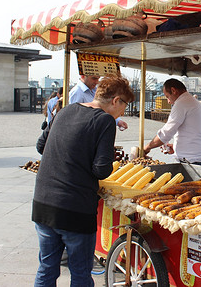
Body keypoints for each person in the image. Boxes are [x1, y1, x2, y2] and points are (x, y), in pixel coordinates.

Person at [32, 75, 134, 286]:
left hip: (43, 203)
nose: (123, 112)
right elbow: (101, 169)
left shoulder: (66, 110)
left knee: (47, 269)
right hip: (74, 208)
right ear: (116, 100)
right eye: (124, 106)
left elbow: (41, 146)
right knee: (79, 273)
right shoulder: (105, 120)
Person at [143, 78, 201, 166]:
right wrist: (176, 147)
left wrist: (146, 148)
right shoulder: (192, 102)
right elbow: (193, 133)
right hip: (200, 159)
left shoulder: (181, 103)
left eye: (167, 96)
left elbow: (166, 133)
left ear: (173, 90)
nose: (168, 101)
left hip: (194, 162)